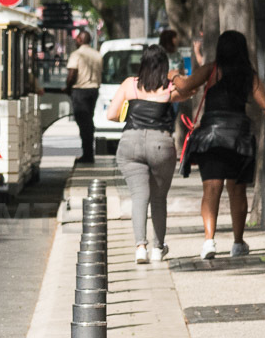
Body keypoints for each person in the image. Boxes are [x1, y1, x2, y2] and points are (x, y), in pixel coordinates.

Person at [175, 29, 265, 260]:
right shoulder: (250, 76)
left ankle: (209, 241)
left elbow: (185, 85)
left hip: (211, 137)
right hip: (239, 136)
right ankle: (237, 242)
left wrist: (172, 76)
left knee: (211, 188)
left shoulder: (211, 69)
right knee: (237, 190)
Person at [104, 45, 180, 264]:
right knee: (158, 198)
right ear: (164, 65)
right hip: (161, 145)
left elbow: (111, 114)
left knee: (139, 197)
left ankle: (140, 247)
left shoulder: (131, 84)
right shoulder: (170, 88)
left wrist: (127, 116)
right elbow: (191, 91)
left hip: (130, 143)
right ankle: (158, 248)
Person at [66, 29, 103, 164]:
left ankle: (87, 154)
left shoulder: (77, 55)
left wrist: (68, 88)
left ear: (80, 40)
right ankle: (88, 152)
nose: (76, 41)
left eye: (77, 39)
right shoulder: (97, 55)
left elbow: (71, 75)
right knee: (88, 121)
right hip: (93, 90)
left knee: (84, 123)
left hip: (80, 91)